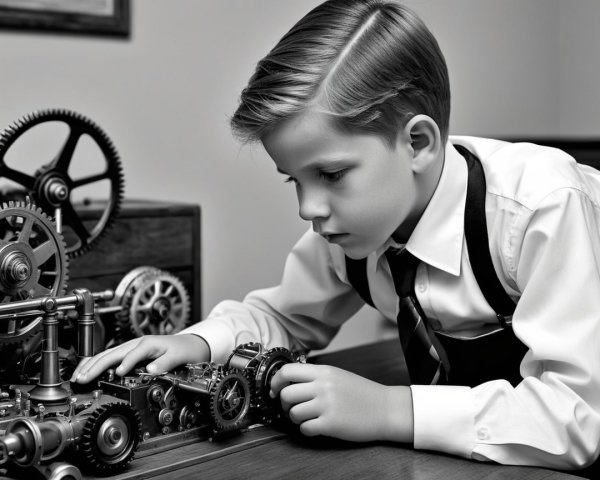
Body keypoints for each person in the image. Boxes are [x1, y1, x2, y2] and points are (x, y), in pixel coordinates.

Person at [72, 0, 600, 474]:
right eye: (294, 181)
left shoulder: (540, 210)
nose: (309, 210)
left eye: (330, 175)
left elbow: (575, 418)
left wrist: (391, 409)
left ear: (417, 142)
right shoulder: (353, 232)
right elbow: (282, 317)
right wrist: (195, 342)